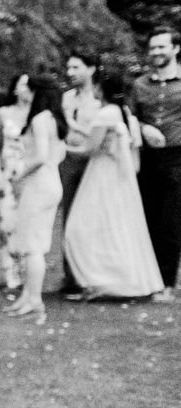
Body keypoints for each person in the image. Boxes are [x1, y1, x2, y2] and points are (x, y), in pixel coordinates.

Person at [64, 69, 164, 299]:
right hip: (121, 177)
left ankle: (100, 282)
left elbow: (88, 149)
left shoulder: (106, 114)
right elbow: (133, 152)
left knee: (79, 229)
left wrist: (61, 148)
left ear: (100, 88)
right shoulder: (125, 113)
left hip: (102, 176)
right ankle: (115, 282)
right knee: (117, 228)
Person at [5, 75, 68, 322]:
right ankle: (26, 297)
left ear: (35, 91)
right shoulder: (55, 118)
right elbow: (58, 153)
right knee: (31, 242)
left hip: (40, 184)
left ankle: (34, 300)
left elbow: (41, 156)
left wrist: (19, 172)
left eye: (25, 87)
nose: (21, 91)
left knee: (33, 247)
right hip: (50, 182)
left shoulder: (41, 119)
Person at [128, 26, 181, 302]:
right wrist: (144, 127)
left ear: (175, 48)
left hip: (177, 156)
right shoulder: (140, 85)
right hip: (147, 158)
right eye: (152, 48)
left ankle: (167, 284)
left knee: (170, 221)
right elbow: (129, 115)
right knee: (147, 219)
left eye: (161, 47)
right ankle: (148, 280)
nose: (156, 52)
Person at [59, 51, 102, 293]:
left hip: (93, 162)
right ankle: (71, 278)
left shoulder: (100, 99)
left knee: (91, 219)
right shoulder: (66, 98)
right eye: (69, 68)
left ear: (92, 68)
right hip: (68, 160)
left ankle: (91, 275)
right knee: (69, 217)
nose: (70, 73)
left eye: (76, 67)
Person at [0, 75, 31, 291]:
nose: (26, 89)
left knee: (27, 222)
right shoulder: (3, 113)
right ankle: (10, 271)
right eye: (22, 84)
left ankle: (27, 270)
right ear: (14, 88)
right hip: (8, 172)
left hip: (30, 173)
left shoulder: (38, 115)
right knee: (7, 223)